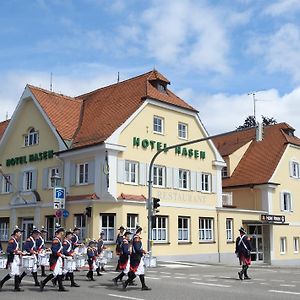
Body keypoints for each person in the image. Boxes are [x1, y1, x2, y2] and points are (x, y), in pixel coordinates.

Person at [40, 225, 68, 292]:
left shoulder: (59, 240)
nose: (63, 233)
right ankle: (43, 282)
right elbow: (54, 251)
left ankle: (61, 287)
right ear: (60, 232)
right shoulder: (56, 240)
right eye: (62, 232)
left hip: (58, 258)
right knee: (55, 273)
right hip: (55, 258)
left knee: (59, 272)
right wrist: (61, 255)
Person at [122, 226, 151, 291]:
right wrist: (144, 251)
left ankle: (143, 286)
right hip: (136, 257)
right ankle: (126, 282)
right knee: (136, 272)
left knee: (141, 271)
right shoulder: (136, 238)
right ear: (139, 231)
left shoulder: (134, 238)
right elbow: (138, 249)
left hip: (136, 257)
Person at [0, 227, 24, 292]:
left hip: (16, 258)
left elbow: (15, 249)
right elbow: (8, 250)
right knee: (13, 273)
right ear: (16, 233)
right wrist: (17, 251)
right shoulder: (12, 240)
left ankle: (16, 287)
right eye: (20, 233)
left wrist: (20, 252)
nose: (21, 234)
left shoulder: (16, 240)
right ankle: (1, 282)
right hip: (12, 258)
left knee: (17, 273)